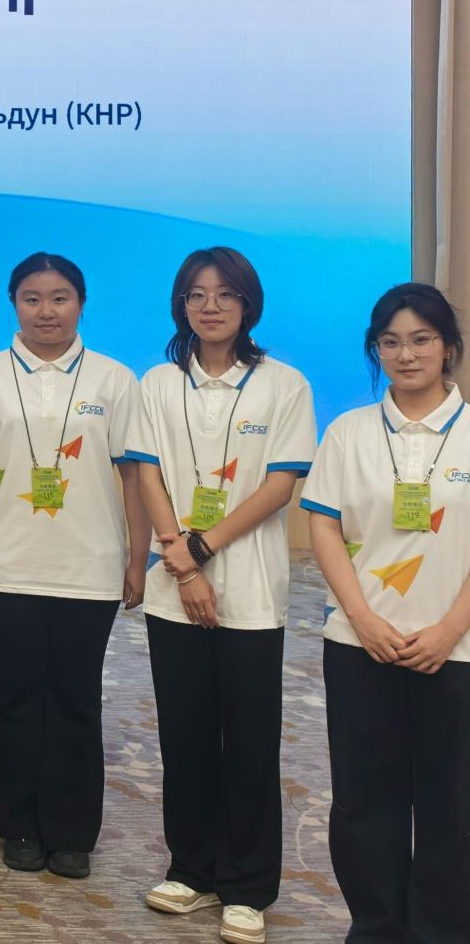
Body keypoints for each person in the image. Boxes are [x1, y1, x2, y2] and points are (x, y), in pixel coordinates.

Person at [126, 247, 313, 944]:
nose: (210, 306)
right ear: (181, 304)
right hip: (174, 590)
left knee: (251, 741)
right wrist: (181, 563)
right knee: (186, 735)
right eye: (197, 294)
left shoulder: (283, 384)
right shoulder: (157, 383)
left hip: (251, 592)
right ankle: (192, 869)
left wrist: (200, 549)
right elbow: (148, 475)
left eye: (225, 294)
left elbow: (279, 485)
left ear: (247, 304)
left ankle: (248, 885)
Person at [0, 253, 148, 880]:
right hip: (8, 561)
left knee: (75, 700)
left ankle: (71, 833)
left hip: (90, 562)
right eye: (32, 298)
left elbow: (134, 476)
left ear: (81, 304)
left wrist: (137, 557)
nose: (46, 311)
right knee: (14, 697)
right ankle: (17, 826)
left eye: (60, 298)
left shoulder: (115, 379)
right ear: (14, 303)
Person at [302, 281, 470, 943]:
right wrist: (363, 619)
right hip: (359, 643)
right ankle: (375, 926)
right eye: (391, 342)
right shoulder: (349, 432)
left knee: (452, 801)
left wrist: (451, 627)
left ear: (448, 346)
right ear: (376, 349)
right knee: (364, 798)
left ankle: (441, 929)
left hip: (456, 648)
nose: (407, 354)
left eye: (422, 339)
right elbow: (322, 526)